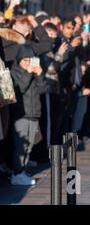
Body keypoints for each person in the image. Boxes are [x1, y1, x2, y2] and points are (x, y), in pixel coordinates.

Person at [10, 45, 47, 186]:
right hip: (21, 112)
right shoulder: (15, 71)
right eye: (25, 60)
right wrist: (30, 72)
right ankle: (17, 173)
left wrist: (39, 75)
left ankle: (22, 171)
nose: (27, 63)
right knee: (21, 146)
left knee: (29, 145)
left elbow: (43, 89)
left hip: (33, 112)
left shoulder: (31, 72)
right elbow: (21, 87)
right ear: (19, 60)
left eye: (29, 60)